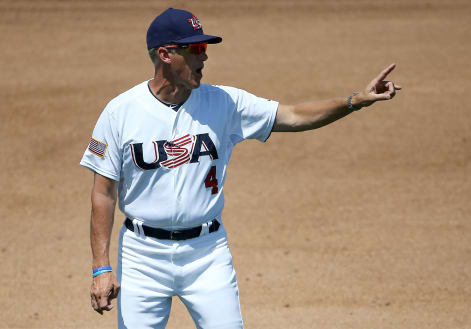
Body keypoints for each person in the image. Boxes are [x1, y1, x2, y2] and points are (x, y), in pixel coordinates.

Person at [80, 7, 401, 329]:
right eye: (196, 49)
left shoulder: (224, 103)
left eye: (205, 49)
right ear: (165, 54)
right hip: (141, 256)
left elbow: (294, 115)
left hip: (206, 253)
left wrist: (354, 101)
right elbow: (103, 193)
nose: (204, 58)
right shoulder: (120, 112)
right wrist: (100, 268)